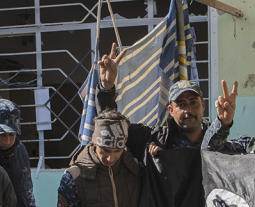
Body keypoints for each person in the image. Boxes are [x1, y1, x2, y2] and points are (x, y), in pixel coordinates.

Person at [96, 43, 226, 159]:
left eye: (193, 102)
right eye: (181, 105)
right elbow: (114, 128)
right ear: (171, 110)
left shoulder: (217, 143)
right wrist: (106, 88)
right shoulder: (156, 139)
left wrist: (224, 122)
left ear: (203, 105)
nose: (188, 110)